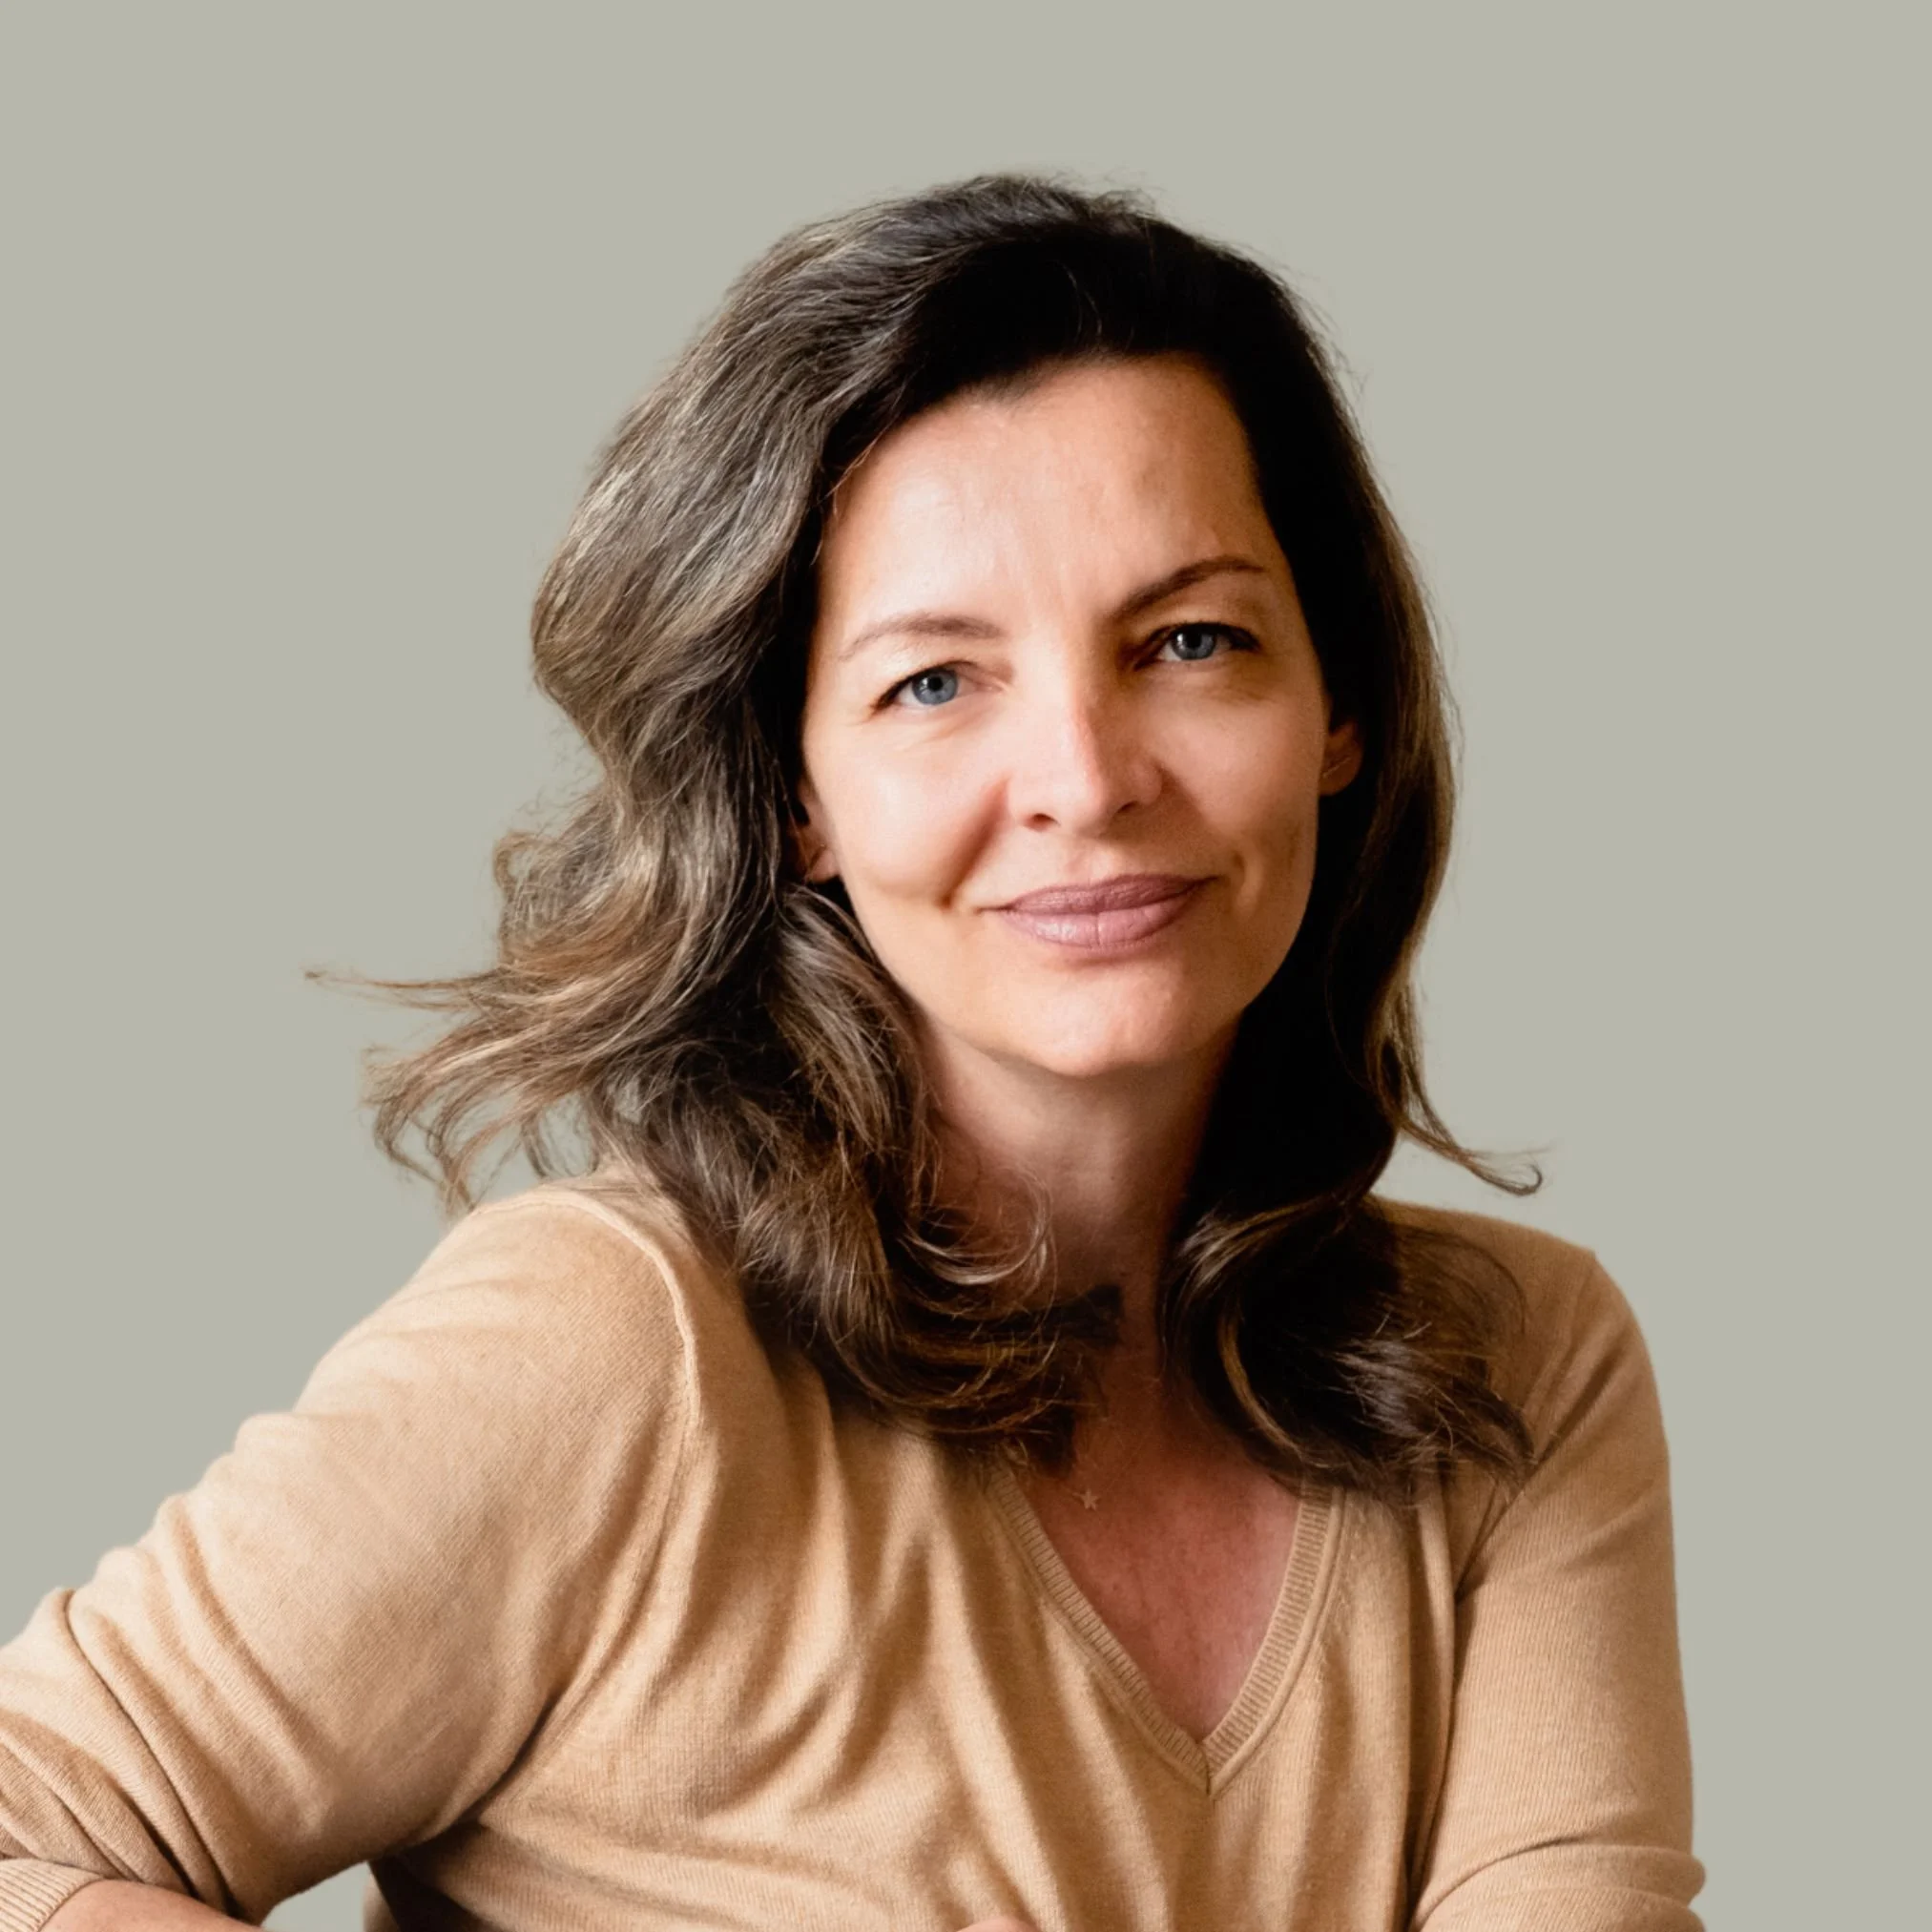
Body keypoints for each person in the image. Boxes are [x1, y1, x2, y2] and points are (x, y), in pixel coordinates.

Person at [0, 176, 1703, 1931]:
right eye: (934, 683)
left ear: (1338, 706)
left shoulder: (1521, 1371)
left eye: (1191, 642)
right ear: (796, 794)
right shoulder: (618, 1347)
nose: (1087, 779)